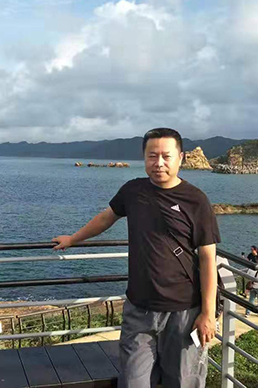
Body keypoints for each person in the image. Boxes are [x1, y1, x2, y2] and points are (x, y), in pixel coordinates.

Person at [52, 128, 220, 388]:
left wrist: (207, 314)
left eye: (166, 156)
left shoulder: (196, 200)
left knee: (184, 382)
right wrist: (74, 239)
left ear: (181, 158)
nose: (159, 163)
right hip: (139, 309)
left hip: (184, 312)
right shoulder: (133, 191)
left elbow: (208, 258)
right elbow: (106, 218)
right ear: (144, 157)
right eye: (152, 156)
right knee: (133, 381)